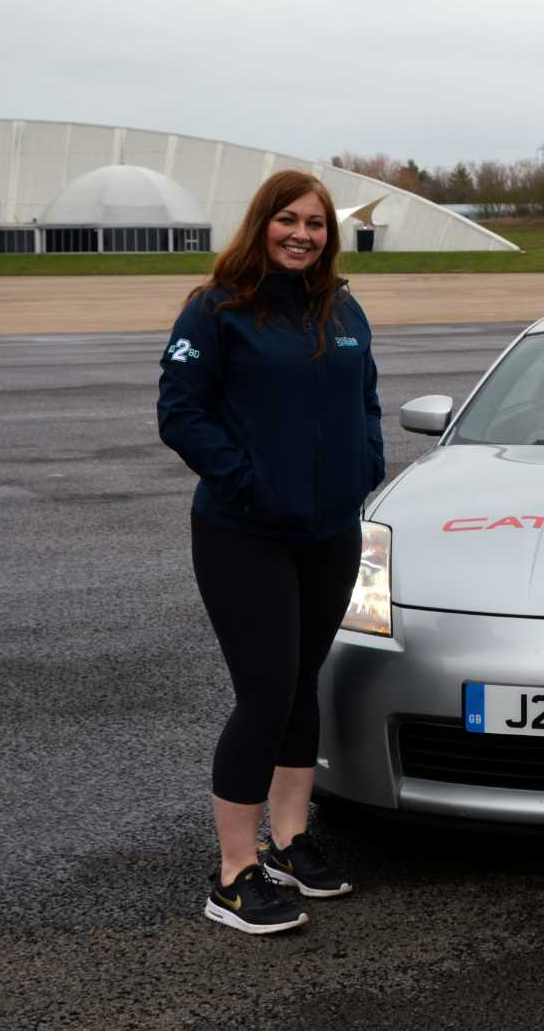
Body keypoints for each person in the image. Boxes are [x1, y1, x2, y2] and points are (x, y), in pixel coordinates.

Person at [157, 170, 386, 935]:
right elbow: (181, 414)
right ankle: (233, 873)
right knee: (264, 694)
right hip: (244, 532)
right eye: (288, 220)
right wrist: (247, 482)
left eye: (315, 224)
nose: (302, 234)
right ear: (261, 224)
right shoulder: (216, 309)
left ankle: (289, 842)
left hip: (330, 530)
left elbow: (364, 400)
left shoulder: (341, 308)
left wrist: (366, 463)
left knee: (301, 687)